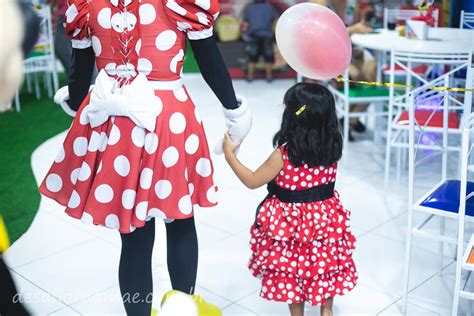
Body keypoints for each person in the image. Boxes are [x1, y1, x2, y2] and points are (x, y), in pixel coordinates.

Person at [38, 0, 252, 315]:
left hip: (117, 127)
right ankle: (183, 309)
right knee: (179, 220)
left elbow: (81, 67)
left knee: (134, 235)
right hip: (168, 119)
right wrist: (233, 108)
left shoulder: (85, 4)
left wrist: (73, 97)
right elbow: (208, 58)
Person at [223, 83, 357, 316]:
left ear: (292, 117)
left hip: (292, 228)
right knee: (325, 264)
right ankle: (327, 311)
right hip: (325, 221)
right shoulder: (332, 147)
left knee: (294, 271)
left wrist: (229, 155)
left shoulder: (284, 155)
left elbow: (253, 180)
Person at [329, 0, 377, 141]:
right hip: (330, 53)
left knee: (374, 75)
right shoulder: (322, 3)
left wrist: (361, 27)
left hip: (352, 50)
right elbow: (321, 37)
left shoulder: (352, 3)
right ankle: (351, 120)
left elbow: (358, 26)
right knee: (357, 76)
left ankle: (349, 119)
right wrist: (351, 30)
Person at [242, 0, 276, 82]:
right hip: (267, 34)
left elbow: (246, 23)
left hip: (254, 35)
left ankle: (250, 77)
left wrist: (244, 32)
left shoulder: (250, 7)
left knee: (252, 56)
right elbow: (272, 21)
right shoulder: (269, 7)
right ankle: (269, 77)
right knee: (268, 56)